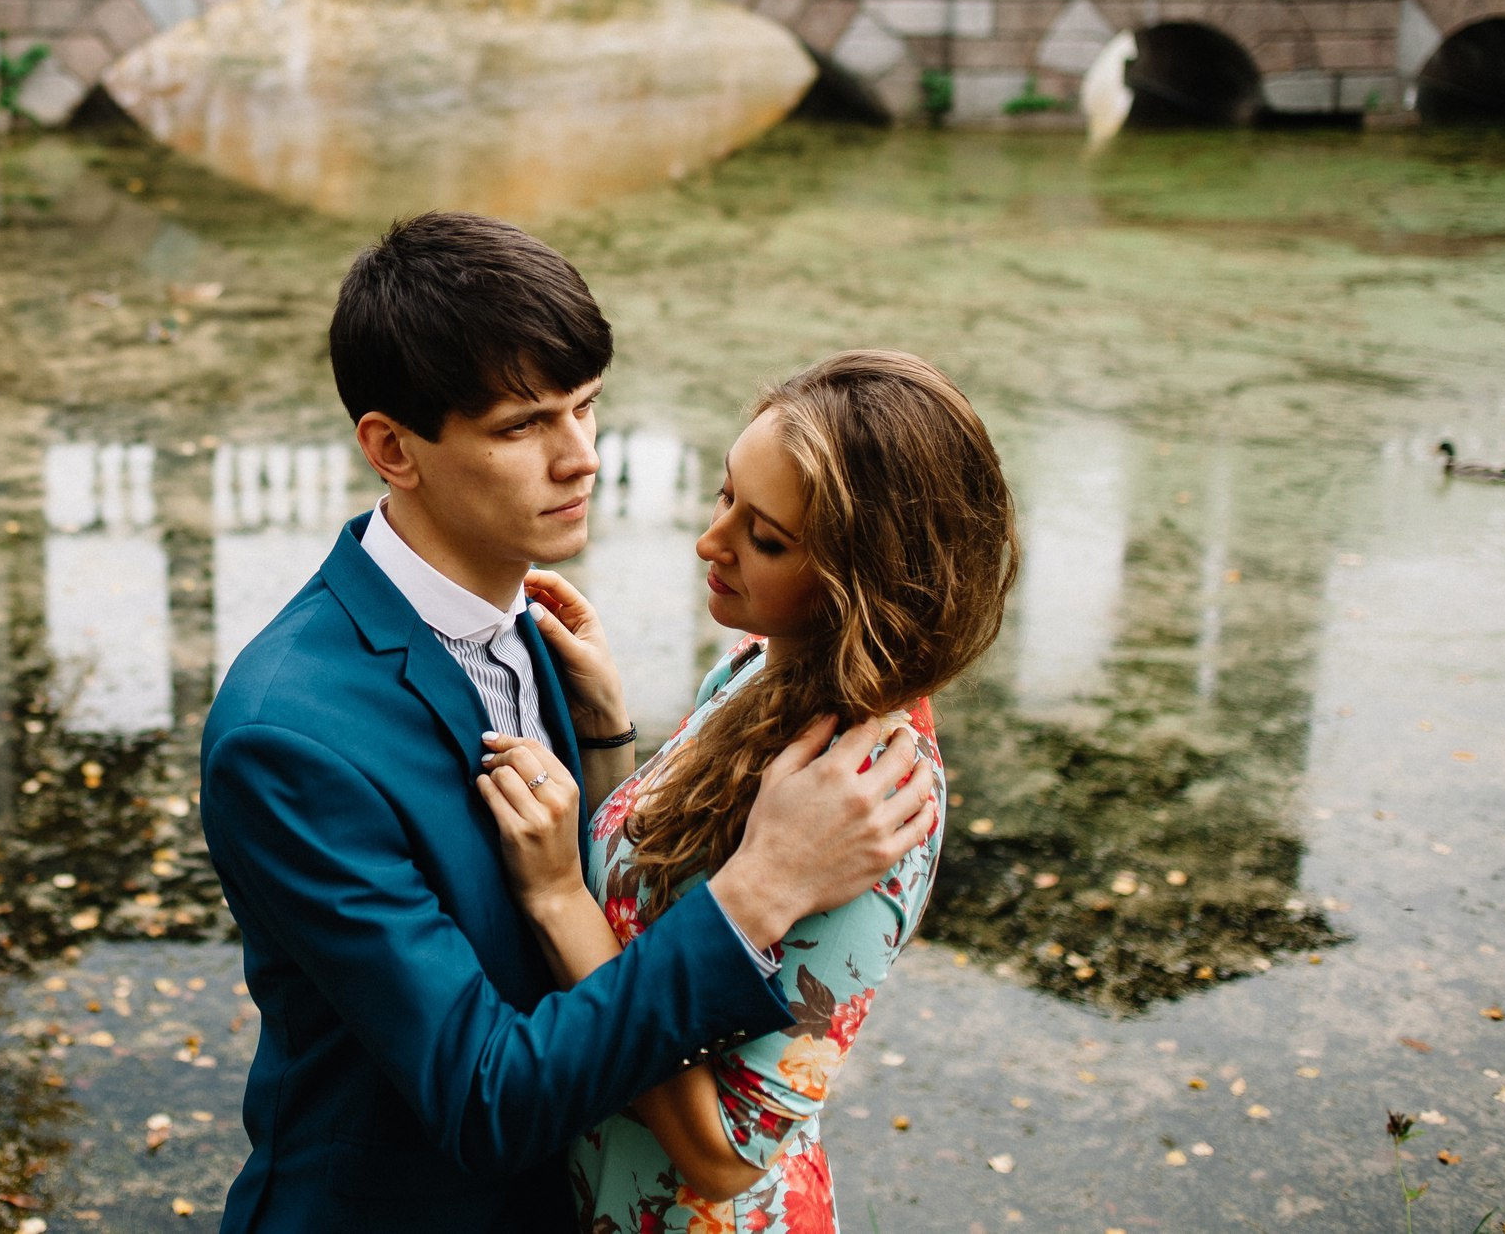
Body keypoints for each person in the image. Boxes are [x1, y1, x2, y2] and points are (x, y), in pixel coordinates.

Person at [199, 215, 939, 1234]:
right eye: (523, 426)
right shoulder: (287, 735)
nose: (580, 457)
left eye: (587, 408)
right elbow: (485, 1097)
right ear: (392, 448)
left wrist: (603, 753)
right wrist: (760, 888)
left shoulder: (540, 634)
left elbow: (588, 909)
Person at [479, 349, 1018, 1232]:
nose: (710, 541)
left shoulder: (874, 800)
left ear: (867, 583)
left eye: (764, 537)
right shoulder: (758, 667)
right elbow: (657, 894)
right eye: (727, 494)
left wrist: (553, 894)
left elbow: (724, 1152)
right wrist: (610, 732)